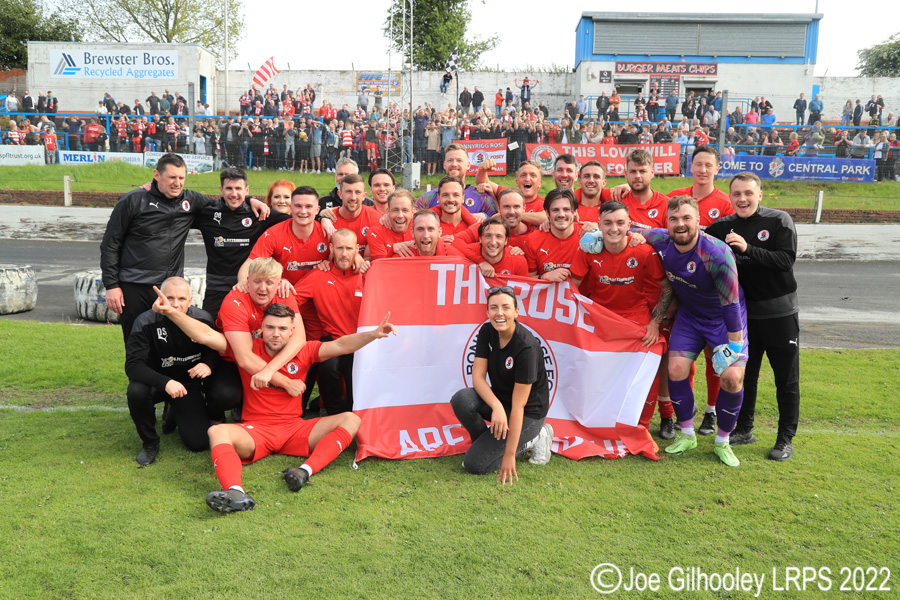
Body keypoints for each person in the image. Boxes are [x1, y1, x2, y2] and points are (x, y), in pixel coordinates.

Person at [153, 295, 395, 512]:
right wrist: (173, 312)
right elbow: (205, 335)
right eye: (270, 327)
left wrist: (373, 335)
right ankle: (235, 492)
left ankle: (304, 471)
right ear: (261, 328)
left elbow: (342, 345)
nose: (276, 333)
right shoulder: (247, 350)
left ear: (292, 332)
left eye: (282, 328)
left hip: (294, 429)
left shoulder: (306, 350)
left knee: (352, 419)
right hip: (256, 431)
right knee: (216, 430)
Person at [581, 196, 748, 467]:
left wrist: (735, 346)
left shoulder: (717, 254)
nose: (680, 224)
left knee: (731, 377)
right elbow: (627, 228)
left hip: (722, 320)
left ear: (698, 221)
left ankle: (723, 441)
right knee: (675, 370)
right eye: (674, 219)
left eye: (686, 218)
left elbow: (730, 305)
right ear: (666, 223)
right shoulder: (660, 240)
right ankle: (687, 434)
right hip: (689, 318)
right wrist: (594, 233)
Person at [100, 153, 265, 343]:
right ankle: (137, 374)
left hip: (170, 287)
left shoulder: (190, 200)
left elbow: (227, 202)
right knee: (137, 340)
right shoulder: (133, 200)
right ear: (156, 175)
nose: (177, 183)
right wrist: (111, 285)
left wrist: (250, 199)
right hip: (134, 286)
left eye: (181, 178)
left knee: (169, 341)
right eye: (171, 177)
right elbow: (110, 244)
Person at [705, 173, 799, 461]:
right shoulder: (721, 226)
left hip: (779, 313)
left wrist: (748, 249)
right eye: (736, 194)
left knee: (786, 379)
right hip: (742, 320)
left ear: (760, 195)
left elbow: (786, 260)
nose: (742, 199)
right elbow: (692, 244)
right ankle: (744, 429)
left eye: (748, 193)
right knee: (748, 375)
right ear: (730, 197)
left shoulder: (778, 220)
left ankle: (785, 439)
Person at [570, 202, 675, 431]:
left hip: (635, 319)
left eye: (619, 223)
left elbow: (666, 287)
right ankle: (594, 418)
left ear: (629, 225)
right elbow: (572, 288)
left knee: (650, 357)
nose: (614, 228)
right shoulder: (587, 250)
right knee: (588, 365)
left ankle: (642, 425)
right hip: (601, 319)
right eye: (607, 223)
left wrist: (654, 324)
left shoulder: (643, 251)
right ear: (599, 225)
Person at [450, 286, 554, 482]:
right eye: (494, 308)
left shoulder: (526, 347)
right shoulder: (487, 330)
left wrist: (509, 455)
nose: (499, 313)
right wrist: (496, 406)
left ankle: (537, 437)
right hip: (502, 404)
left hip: (527, 414)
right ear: (487, 311)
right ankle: (486, 446)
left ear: (516, 312)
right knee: (462, 399)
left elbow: (519, 405)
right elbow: (478, 378)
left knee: (475, 465)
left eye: (506, 308)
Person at [125, 277, 220, 465]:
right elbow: (133, 366)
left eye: (182, 299)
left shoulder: (203, 320)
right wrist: (165, 382)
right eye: (170, 298)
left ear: (191, 300)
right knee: (136, 391)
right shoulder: (145, 322)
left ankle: (174, 410)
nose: (175, 304)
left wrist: (208, 364)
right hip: (156, 382)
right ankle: (150, 442)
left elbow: (216, 351)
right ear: (160, 298)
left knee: (198, 443)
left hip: (186, 385)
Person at [193, 167, 290, 321]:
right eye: (229, 188)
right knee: (209, 330)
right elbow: (177, 209)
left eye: (238, 188)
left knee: (250, 332)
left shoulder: (260, 213)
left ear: (246, 190)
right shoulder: (207, 213)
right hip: (217, 288)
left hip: (250, 286)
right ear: (221, 190)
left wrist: (323, 218)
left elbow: (296, 219)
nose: (234, 194)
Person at [415, 144, 496, 218]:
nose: (454, 164)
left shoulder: (482, 197)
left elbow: (498, 219)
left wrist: (485, 216)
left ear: (468, 165)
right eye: (450, 160)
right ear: (444, 165)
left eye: (459, 160)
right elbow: (413, 222)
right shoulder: (428, 198)